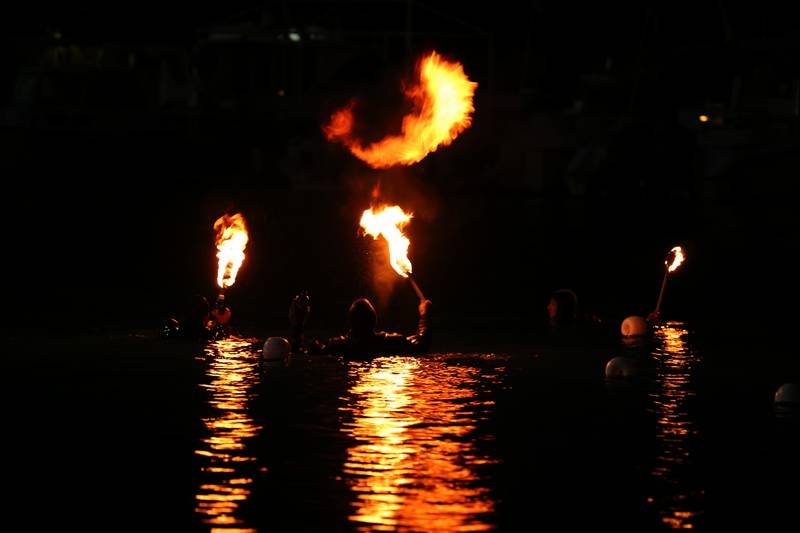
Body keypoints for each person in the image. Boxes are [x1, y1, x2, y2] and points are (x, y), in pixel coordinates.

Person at [289, 291, 432, 357]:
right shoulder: (392, 342)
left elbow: (299, 351)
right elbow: (421, 344)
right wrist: (425, 315)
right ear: (375, 320)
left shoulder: (337, 347)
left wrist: (299, 322)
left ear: (349, 322)